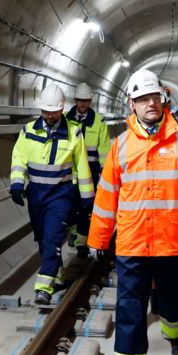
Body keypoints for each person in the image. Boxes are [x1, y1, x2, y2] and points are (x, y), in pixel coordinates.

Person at [87, 69, 178, 355]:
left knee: (173, 302)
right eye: (142, 99)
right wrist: (98, 239)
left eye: (153, 97)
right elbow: (106, 197)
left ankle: (176, 336)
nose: (149, 104)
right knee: (130, 308)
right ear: (131, 104)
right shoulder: (121, 146)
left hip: (173, 242)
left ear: (163, 98)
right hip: (132, 243)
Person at [10, 84, 93, 304]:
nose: (49, 116)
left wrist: (87, 197)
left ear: (61, 109)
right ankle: (59, 274)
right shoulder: (28, 131)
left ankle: (43, 287)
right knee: (42, 239)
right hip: (36, 194)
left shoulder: (74, 133)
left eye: (53, 112)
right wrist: (17, 184)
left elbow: (82, 165)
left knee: (52, 237)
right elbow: (18, 158)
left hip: (61, 194)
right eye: (45, 111)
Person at [65, 82, 111, 258]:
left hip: (90, 171)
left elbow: (104, 148)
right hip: (70, 170)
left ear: (90, 101)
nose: (83, 104)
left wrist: (104, 173)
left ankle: (81, 242)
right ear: (75, 100)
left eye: (86, 101)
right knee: (70, 204)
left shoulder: (99, 121)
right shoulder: (66, 118)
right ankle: (74, 232)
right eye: (80, 100)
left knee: (86, 206)